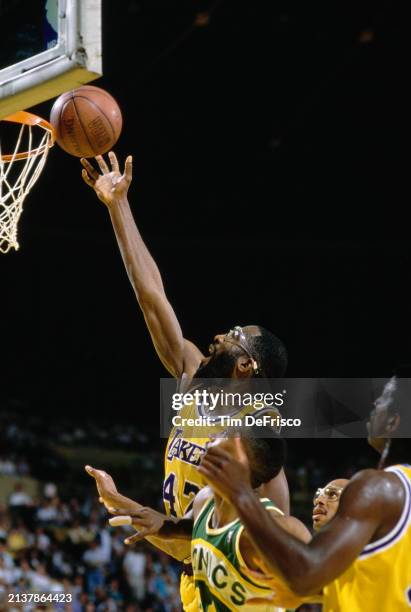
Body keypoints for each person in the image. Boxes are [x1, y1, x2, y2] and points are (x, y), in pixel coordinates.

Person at [81, 152, 290, 608]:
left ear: (248, 367)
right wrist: (118, 206)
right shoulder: (190, 380)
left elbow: (283, 552)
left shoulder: (258, 435)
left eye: (233, 336)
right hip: (193, 583)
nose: (218, 335)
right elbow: (150, 295)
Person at [197, 375, 411, 611]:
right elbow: (383, 580)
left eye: (382, 399)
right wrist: (318, 593)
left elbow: (304, 575)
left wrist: (240, 493)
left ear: (393, 423)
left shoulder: (379, 487)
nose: (374, 404)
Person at [108, 433, 313, 611]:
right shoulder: (204, 499)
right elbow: (184, 528)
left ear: (238, 461)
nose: (211, 438)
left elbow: (326, 580)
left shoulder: (279, 528)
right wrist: (156, 522)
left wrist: (305, 593)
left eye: (222, 438)